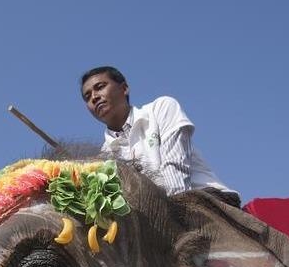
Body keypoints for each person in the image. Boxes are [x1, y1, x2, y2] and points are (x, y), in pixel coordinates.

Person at [80, 66, 240, 205]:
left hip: (209, 204)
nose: (94, 97)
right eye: (87, 97)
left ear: (124, 88)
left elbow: (176, 175)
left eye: (100, 87)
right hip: (156, 224)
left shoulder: (161, 109)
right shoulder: (102, 158)